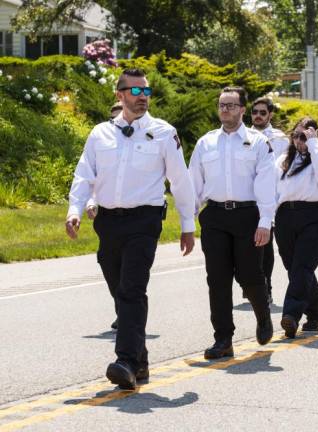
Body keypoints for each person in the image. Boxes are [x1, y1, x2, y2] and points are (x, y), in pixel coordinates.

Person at [66, 68, 196, 390]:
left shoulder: (164, 133)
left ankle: (124, 360)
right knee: (119, 289)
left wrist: (187, 224)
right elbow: (85, 175)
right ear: (120, 95)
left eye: (146, 92)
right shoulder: (100, 134)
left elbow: (180, 181)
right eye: (135, 92)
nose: (142, 98)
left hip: (145, 220)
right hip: (108, 221)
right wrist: (75, 209)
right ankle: (140, 359)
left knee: (131, 289)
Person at [189, 86, 275, 360]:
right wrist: (187, 222)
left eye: (230, 105)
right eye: (221, 105)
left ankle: (263, 316)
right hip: (214, 216)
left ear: (241, 109)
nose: (224, 109)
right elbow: (194, 184)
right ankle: (223, 339)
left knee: (250, 275)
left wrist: (265, 222)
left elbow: (266, 183)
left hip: (247, 215)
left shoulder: (258, 142)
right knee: (217, 279)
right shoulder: (206, 143)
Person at [274, 117, 318, 338]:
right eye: (297, 135)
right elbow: (272, 190)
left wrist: (314, 145)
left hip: (314, 216)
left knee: (302, 266)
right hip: (285, 216)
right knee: (296, 268)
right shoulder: (282, 160)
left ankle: (291, 315)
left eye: (305, 136)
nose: (300, 141)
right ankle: (316, 314)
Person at [86, 100, 125, 331]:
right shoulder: (102, 143)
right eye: (114, 117)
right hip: (108, 219)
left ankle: (128, 312)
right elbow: (91, 178)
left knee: (130, 270)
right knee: (109, 264)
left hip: (136, 220)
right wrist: (90, 202)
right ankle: (122, 307)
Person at [250, 97, 290, 304]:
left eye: (262, 112)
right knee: (246, 247)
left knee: (264, 247)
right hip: (246, 200)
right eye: (254, 112)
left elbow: (284, 168)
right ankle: (250, 284)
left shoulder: (280, 139)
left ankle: (266, 286)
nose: (258, 115)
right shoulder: (241, 135)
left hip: (269, 201)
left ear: (270, 115)